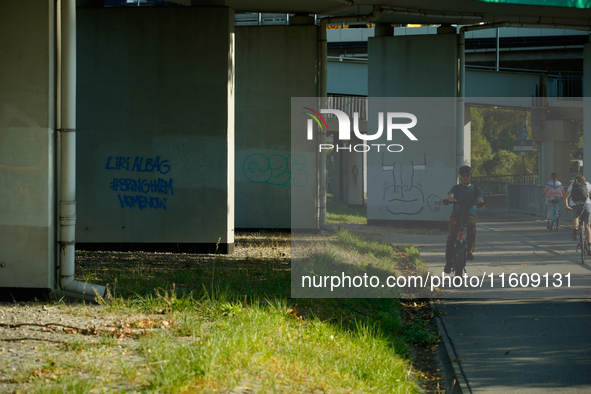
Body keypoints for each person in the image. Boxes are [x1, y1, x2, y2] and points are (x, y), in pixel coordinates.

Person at [442, 165, 486, 274]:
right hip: (456, 215)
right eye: (463, 176)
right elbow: (450, 195)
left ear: (471, 176)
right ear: (460, 177)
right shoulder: (456, 188)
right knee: (452, 236)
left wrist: (481, 203)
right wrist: (448, 200)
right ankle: (448, 261)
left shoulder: (476, 189)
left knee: (472, 226)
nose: (466, 177)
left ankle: (470, 252)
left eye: (468, 175)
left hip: (470, 214)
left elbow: (480, 199)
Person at [563, 175, 591, 248]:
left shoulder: (572, 185)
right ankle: (589, 246)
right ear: (584, 179)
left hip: (575, 205)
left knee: (576, 217)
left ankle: (575, 235)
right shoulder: (587, 184)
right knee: (587, 226)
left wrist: (566, 206)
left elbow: (565, 196)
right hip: (586, 205)